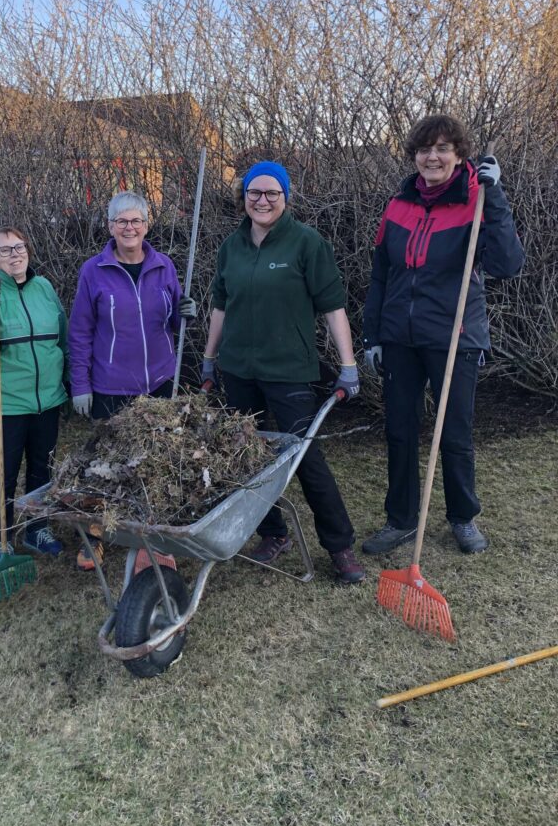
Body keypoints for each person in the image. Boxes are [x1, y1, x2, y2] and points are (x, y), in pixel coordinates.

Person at [361, 114, 524, 556]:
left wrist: (496, 198)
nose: (432, 156)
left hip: (455, 334)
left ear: (458, 154)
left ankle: (462, 518)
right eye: (424, 148)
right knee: (399, 429)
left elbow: (508, 265)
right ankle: (400, 520)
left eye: (442, 148)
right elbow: (381, 275)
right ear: (415, 155)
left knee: (454, 432)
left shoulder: (477, 198)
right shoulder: (398, 205)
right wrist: (373, 335)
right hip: (399, 337)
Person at [200, 161, 366, 585]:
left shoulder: (306, 243)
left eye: (272, 193)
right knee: (246, 455)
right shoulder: (231, 247)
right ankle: (272, 533)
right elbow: (220, 306)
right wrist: (209, 357)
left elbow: (333, 307)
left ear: (286, 198)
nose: (263, 200)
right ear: (244, 198)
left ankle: (340, 546)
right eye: (254, 193)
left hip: (289, 371)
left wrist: (347, 366)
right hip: (238, 370)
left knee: (305, 458)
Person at [68, 191, 196, 569]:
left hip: (158, 381)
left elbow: (173, 320)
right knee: (105, 466)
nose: (129, 227)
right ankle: (96, 535)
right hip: (110, 385)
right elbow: (80, 332)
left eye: (136, 221)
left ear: (146, 225)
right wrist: (81, 384)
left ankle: (152, 539)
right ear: (110, 227)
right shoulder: (94, 271)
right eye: (121, 221)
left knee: (154, 462)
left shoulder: (164, 266)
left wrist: (186, 311)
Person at [0, 227, 69, 565]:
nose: (14, 254)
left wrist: (66, 380)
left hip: (47, 400)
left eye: (19, 247)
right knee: (5, 474)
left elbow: (62, 338)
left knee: (43, 469)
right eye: (4, 250)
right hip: (6, 402)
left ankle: (38, 529)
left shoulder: (44, 288)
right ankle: (1, 538)